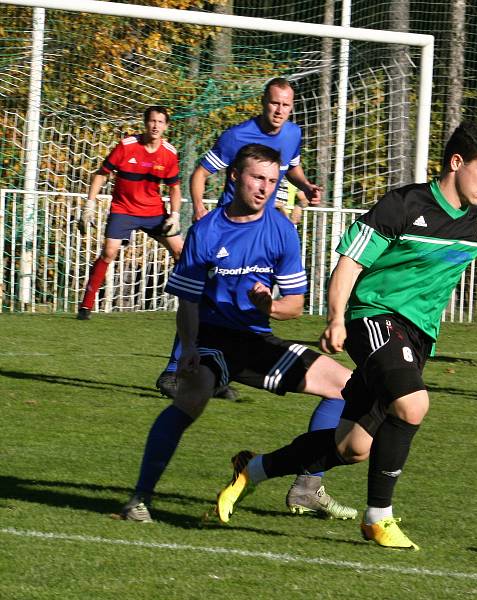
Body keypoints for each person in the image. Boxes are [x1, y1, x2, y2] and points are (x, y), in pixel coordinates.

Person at [212, 122, 477, 551]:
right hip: (374, 318)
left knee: (352, 447)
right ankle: (378, 518)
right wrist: (335, 318)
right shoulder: (404, 204)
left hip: (418, 337)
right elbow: (349, 263)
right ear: (456, 163)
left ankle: (251, 470)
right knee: (414, 403)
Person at [119, 144, 356, 523]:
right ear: (234, 177)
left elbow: (293, 305)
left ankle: (307, 487)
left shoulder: (280, 229)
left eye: (273, 181)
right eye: (257, 178)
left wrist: (269, 307)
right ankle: (139, 500)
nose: (265, 188)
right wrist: (189, 349)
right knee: (190, 400)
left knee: (348, 387)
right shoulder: (206, 231)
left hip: (257, 341)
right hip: (214, 340)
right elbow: (189, 302)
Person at [156, 77, 321, 399]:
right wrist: (201, 208)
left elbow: (291, 169)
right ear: (263, 102)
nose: (280, 111)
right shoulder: (236, 137)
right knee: (202, 297)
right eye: (274, 103)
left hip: (264, 226)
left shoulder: (292, 134)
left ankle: (219, 370)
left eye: (286, 105)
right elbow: (201, 174)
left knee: (240, 301)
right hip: (228, 228)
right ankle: (175, 369)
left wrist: (306, 186)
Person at [76, 106, 183, 320]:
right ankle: (86, 306)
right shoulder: (126, 146)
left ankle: (195, 303)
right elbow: (101, 175)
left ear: (166, 126)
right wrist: (89, 204)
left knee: (182, 252)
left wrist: (175, 215)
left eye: (160, 122)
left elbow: (174, 188)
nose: (155, 126)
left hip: (154, 212)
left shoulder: (169, 154)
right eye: (152, 121)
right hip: (123, 209)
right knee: (109, 252)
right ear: (145, 123)